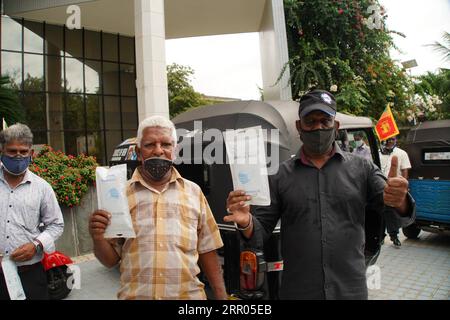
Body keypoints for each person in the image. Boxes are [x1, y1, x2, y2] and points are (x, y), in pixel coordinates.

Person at [225, 89, 415, 300]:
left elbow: (396, 214)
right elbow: (260, 232)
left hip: (349, 291)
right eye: (310, 121)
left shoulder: (363, 169)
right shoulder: (280, 176)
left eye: (325, 121)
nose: (318, 127)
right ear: (299, 126)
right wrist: (246, 222)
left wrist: (400, 201)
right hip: (298, 291)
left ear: (336, 126)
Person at [89, 115, 227, 300]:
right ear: (138, 152)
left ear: (175, 150)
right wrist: (98, 237)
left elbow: (207, 249)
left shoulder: (194, 193)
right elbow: (110, 260)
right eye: (149, 145)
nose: (158, 151)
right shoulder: (121, 196)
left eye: (166, 144)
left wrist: (221, 296)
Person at [0, 123, 64, 300]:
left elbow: (56, 224)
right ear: (2, 152)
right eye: (12, 151)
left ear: (31, 153)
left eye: (23, 151)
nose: (18, 156)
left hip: (30, 273)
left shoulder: (43, 188)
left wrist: (36, 245)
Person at [379, 136, 412, 247]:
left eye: (393, 139)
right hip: (379, 187)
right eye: (388, 139)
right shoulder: (377, 152)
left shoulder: (401, 153)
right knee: (379, 212)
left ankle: (394, 236)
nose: (391, 141)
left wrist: (404, 187)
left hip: (394, 189)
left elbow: (405, 170)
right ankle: (380, 236)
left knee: (392, 213)